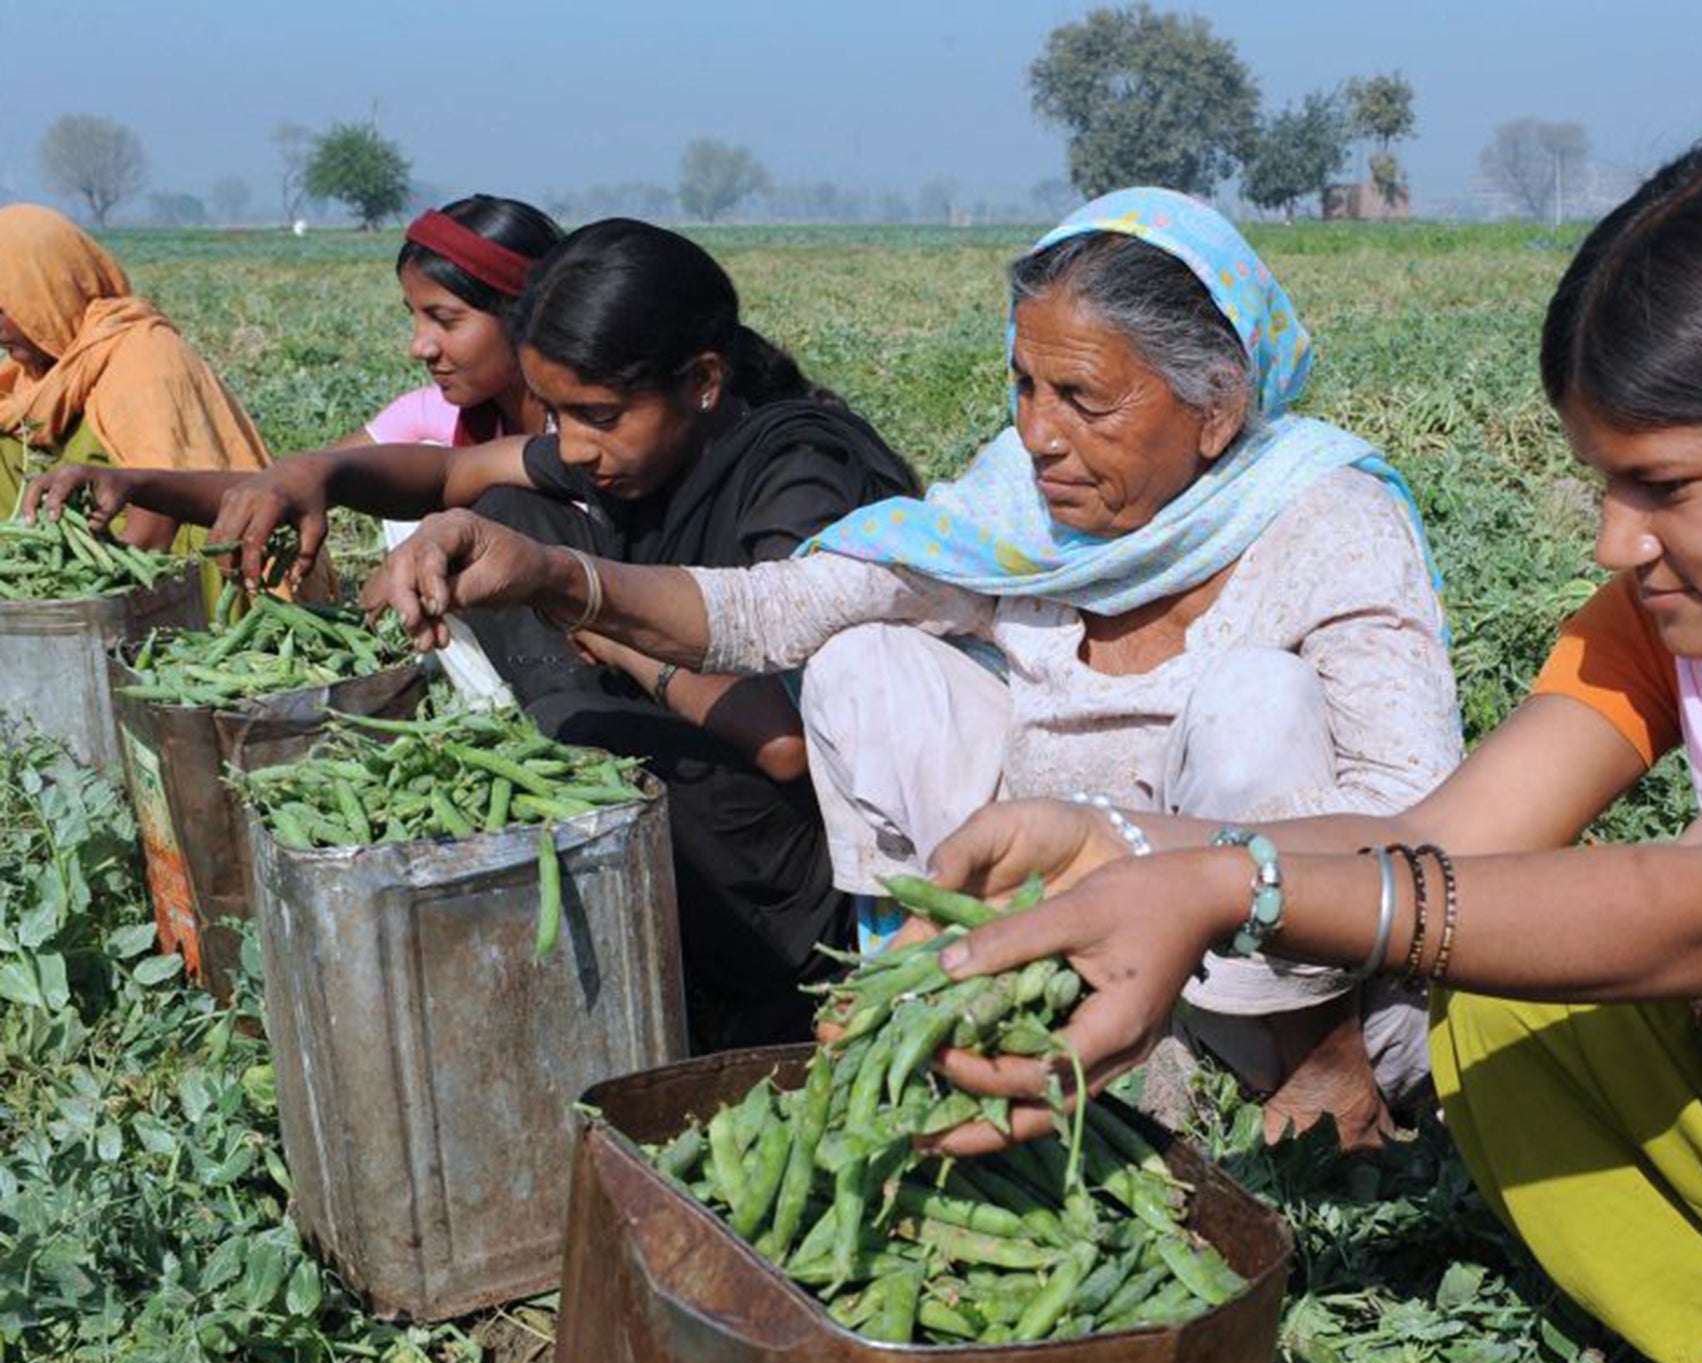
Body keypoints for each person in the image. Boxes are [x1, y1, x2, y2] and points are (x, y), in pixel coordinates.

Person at [855, 130, 1702, 1363]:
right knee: (1503, 987)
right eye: (1603, 484)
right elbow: (1444, 846)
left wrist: (1223, 889)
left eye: (1663, 487)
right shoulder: (1686, 609)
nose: (1614, 542)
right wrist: (1122, 848)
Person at [361, 188, 1463, 1146]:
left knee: (1254, 699)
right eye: (1024, 386)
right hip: (1057, 946)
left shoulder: (1328, 520)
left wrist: (1189, 892)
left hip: (1289, 976)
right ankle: (937, 1002)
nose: (1036, 434)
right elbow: (780, 608)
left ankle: (1311, 1083)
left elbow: (1421, 821)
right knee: (862, 659)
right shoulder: (1017, 508)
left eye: (1082, 399)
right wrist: (559, 577)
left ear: (1215, 408)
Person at [28, 220, 920, 1046]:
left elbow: (790, 740)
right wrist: (316, 473)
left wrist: (601, 621)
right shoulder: (640, 444)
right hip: (699, 788)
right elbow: (455, 471)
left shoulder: (801, 475)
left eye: (599, 417)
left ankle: (716, 970)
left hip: (809, 874)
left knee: (569, 705)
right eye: (557, 414)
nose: (571, 446)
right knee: (502, 508)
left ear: (704, 381)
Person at [332, 193, 564, 699]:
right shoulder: (438, 414)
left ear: (524, 315)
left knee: (492, 502)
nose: (421, 346)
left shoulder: (588, 433)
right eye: (414, 318)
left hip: (591, 652)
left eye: (446, 320)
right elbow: (324, 471)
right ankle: (490, 704)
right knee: (398, 476)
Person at [0, 203, 268, 605]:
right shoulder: (31, 376)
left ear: (45, 291)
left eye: (3, 308)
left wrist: (80, 604)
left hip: (170, 576)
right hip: (71, 566)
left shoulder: (143, 357)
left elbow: (159, 518)